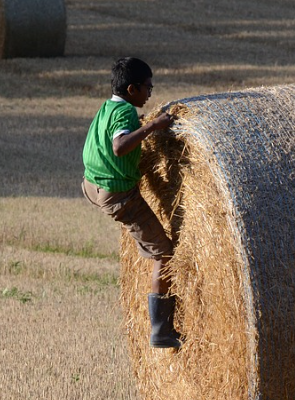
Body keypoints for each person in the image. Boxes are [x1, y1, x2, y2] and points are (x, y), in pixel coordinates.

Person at [81, 57, 180, 348]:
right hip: (118, 195)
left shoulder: (108, 107)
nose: (150, 93)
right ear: (132, 88)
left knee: (152, 242)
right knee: (164, 254)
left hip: (92, 186)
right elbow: (120, 146)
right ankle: (161, 331)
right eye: (148, 87)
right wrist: (153, 127)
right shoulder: (124, 112)